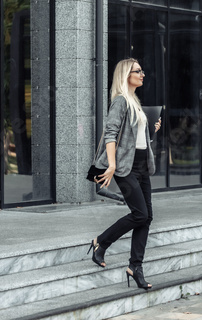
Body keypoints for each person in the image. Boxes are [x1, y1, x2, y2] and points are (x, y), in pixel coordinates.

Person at [87, 58, 161, 290]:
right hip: (123, 167)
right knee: (140, 214)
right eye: (138, 71)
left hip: (140, 165)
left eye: (142, 70)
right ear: (125, 75)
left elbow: (134, 140)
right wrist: (111, 165)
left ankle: (135, 267)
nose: (143, 74)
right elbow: (110, 134)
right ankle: (101, 242)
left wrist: (151, 132)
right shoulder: (120, 102)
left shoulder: (135, 102)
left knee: (146, 216)